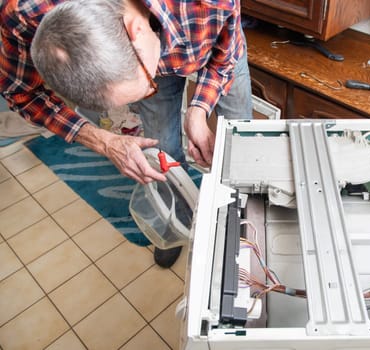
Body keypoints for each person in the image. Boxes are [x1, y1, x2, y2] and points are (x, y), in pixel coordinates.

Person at [0, 0, 253, 268]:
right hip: (149, 51)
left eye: (144, 89)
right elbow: (21, 93)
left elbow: (225, 56)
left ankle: (243, 224)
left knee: (239, 144)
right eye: (145, 91)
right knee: (162, 148)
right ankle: (175, 222)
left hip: (213, 44)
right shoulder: (25, 12)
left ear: (136, 31)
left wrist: (199, 109)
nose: (150, 94)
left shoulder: (211, 4)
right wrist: (103, 140)